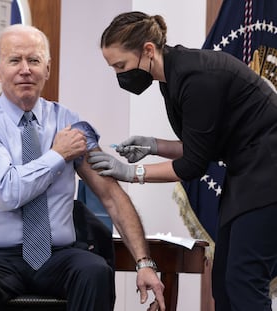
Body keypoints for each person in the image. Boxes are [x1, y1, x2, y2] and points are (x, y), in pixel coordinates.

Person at [0, 24, 165, 311]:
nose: (25, 69)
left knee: (94, 271)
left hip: (56, 255)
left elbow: (111, 195)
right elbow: (6, 192)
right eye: (15, 60)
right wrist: (56, 154)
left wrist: (145, 263)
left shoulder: (70, 123)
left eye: (34, 61)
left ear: (47, 69)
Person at [88, 10, 277, 311]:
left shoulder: (196, 77)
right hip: (248, 172)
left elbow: (192, 166)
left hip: (267, 173)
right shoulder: (172, 77)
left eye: (121, 66)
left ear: (148, 50)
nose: (119, 75)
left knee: (244, 279)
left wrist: (132, 172)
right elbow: (200, 147)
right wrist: (153, 146)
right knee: (225, 282)